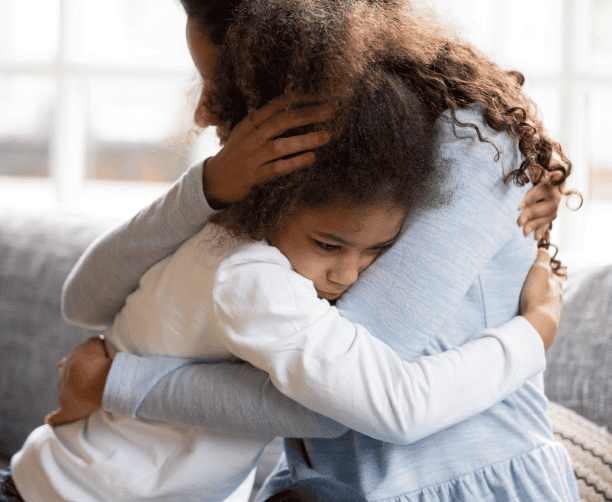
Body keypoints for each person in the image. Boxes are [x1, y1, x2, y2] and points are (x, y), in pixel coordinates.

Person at [8, 0, 580, 501]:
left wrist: (115, 383)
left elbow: (347, 402)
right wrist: (208, 184)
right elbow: (85, 297)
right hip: (324, 483)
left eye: (218, 80)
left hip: (463, 485)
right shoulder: (288, 201)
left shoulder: (471, 141)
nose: (203, 112)